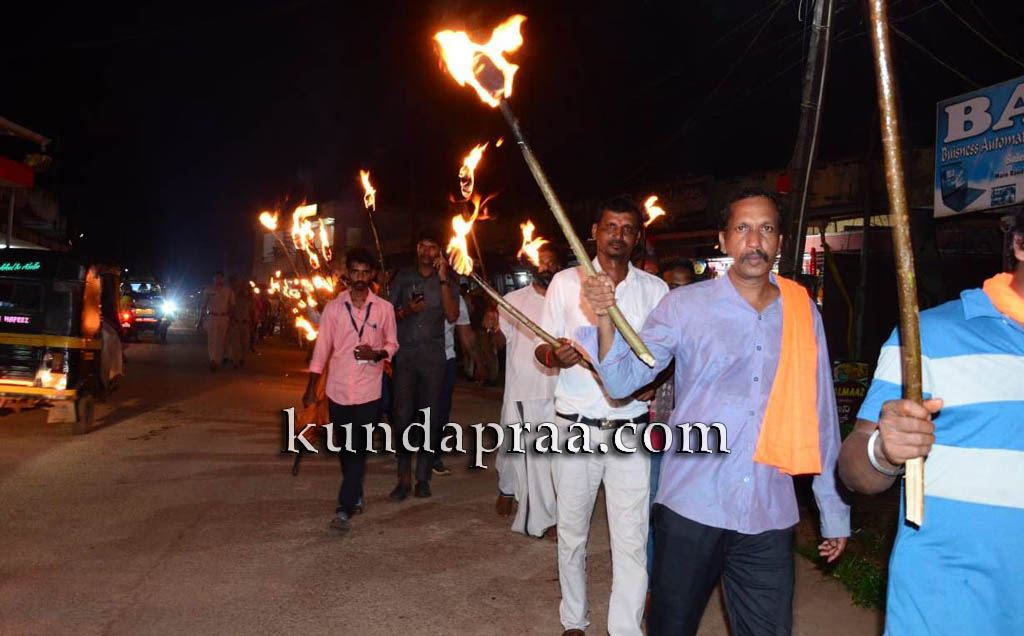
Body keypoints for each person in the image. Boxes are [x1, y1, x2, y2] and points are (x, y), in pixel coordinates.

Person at [579, 188, 849, 635]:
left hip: (769, 509)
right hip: (692, 506)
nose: (754, 241)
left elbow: (820, 413)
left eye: (766, 229)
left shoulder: (803, 312)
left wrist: (832, 508)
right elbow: (624, 381)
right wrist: (605, 317)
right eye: (742, 228)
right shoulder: (684, 306)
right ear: (724, 241)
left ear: (779, 242)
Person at [837, 209, 1024, 635]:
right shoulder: (927, 336)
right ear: (1019, 245)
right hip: (952, 611)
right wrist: (884, 451)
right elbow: (854, 469)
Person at [534, 195, 669, 636]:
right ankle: (574, 619)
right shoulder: (564, 284)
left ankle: (625, 629)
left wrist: (653, 382)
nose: (619, 236)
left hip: (629, 428)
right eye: (611, 226)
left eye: (628, 229)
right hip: (575, 428)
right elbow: (542, 345)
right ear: (594, 231)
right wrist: (556, 355)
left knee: (630, 540)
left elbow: (664, 357)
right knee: (572, 533)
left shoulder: (654, 290)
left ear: (638, 236)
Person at [303, 248, 398, 534]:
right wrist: (311, 388)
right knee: (346, 449)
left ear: (372, 275)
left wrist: (376, 353)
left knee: (358, 448)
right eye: (354, 272)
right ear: (348, 275)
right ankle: (355, 490)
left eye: (364, 272)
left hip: (369, 390)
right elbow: (321, 350)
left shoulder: (384, 308)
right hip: (338, 390)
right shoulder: (333, 308)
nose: (359, 278)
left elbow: (393, 345)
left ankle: (344, 507)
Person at [489, 242, 563, 536]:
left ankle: (510, 490)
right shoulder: (512, 300)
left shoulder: (568, 299)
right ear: (531, 265)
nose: (546, 267)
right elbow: (497, 346)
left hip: (559, 389)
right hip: (525, 388)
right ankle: (540, 519)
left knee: (550, 456)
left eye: (552, 262)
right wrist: (492, 327)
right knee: (528, 454)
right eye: (541, 262)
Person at [388, 228, 459, 500]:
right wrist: (407, 311)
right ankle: (403, 477)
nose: (427, 252)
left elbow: (452, 315)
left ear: (439, 252)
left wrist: (442, 281)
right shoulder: (403, 278)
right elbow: (387, 314)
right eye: (423, 246)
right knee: (403, 416)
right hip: (405, 356)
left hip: (433, 359)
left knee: (430, 418)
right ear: (417, 249)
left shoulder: (449, 280)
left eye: (433, 247)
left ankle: (423, 477)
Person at [433, 294, 478, 476]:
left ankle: (434, 456)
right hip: (418, 361)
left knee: (441, 410)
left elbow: (465, 334)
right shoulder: (415, 291)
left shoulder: (456, 299)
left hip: (446, 360)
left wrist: (478, 362)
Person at [198, 272, 235, 372]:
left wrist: (231, 319)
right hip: (212, 316)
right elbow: (204, 306)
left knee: (221, 340)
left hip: (224, 317)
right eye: (217, 278)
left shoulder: (228, 290)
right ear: (213, 279)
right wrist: (201, 320)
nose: (218, 280)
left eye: (220, 278)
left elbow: (232, 305)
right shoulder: (208, 290)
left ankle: (217, 361)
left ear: (223, 279)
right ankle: (212, 360)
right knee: (212, 340)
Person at [229, 277, 253, 368]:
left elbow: (251, 310)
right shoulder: (233, 297)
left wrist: (251, 321)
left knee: (244, 343)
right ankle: (235, 362)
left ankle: (242, 357)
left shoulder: (249, 298)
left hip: (245, 322)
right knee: (235, 343)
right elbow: (230, 308)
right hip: (236, 322)